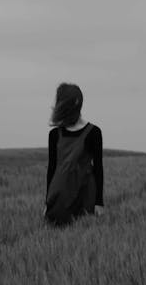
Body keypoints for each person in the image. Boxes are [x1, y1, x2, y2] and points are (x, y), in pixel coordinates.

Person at [43, 82, 104, 227]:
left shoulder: (94, 133)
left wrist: (99, 202)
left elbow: (98, 168)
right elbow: (52, 169)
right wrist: (47, 202)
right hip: (60, 197)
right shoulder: (54, 135)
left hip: (85, 195)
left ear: (75, 103)